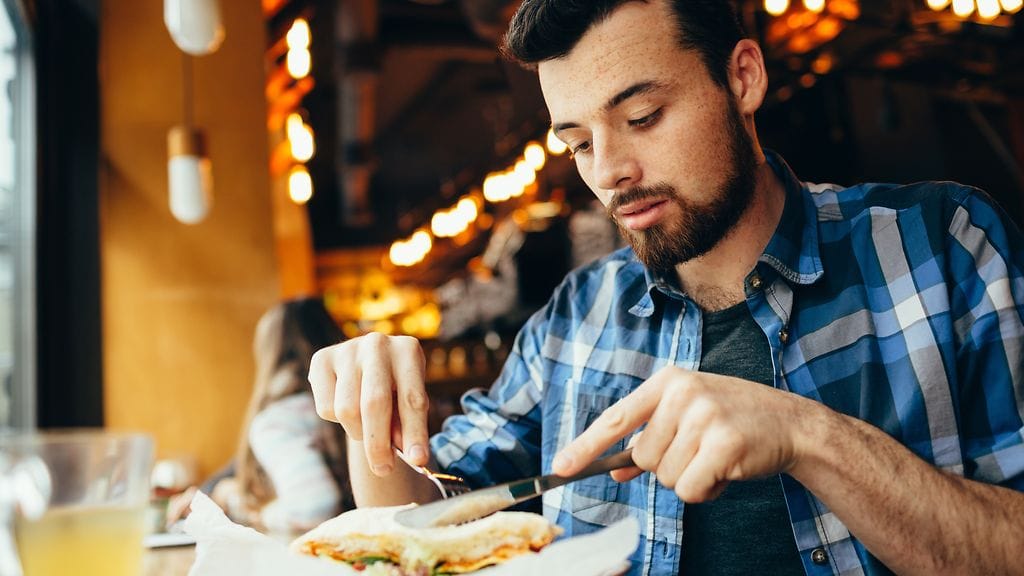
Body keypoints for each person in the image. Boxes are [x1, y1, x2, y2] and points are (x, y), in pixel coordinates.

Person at [307, 1, 1024, 574]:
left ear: (742, 77)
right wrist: (370, 423)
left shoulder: (945, 246)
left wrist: (810, 436)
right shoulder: (574, 320)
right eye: (579, 144)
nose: (609, 171)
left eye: (641, 117)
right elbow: (423, 523)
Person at [169, 297, 353, 533]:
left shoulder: (278, 420)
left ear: (268, 355)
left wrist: (242, 506)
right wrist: (215, 491)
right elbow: (237, 465)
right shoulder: (337, 407)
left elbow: (315, 509)